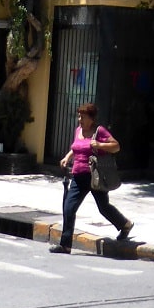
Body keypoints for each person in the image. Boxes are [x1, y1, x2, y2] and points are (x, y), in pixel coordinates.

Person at [50, 102, 132, 253]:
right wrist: (67, 157)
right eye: (79, 116)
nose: (80, 119)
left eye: (83, 117)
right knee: (68, 208)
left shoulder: (99, 131)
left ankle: (125, 225)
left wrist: (100, 145)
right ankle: (65, 245)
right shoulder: (78, 130)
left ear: (91, 118)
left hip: (95, 177)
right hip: (78, 177)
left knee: (103, 208)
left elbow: (116, 146)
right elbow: (76, 147)